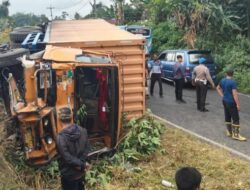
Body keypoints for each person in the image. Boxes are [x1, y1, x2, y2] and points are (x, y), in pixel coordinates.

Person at [56, 107, 90, 190]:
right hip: (81, 173)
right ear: (72, 117)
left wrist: (81, 164)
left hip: (69, 176)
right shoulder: (83, 131)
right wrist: (82, 164)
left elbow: (67, 158)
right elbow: (87, 149)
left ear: (59, 119)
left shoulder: (60, 138)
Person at [216, 69, 246, 141]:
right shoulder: (232, 82)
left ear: (226, 74)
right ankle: (236, 135)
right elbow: (234, 94)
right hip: (231, 102)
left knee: (227, 115)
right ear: (232, 74)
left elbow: (217, 88)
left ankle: (229, 132)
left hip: (225, 101)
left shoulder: (222, 80)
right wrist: (238, 104)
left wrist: (222, 95)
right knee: (235, 118)